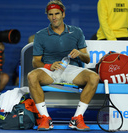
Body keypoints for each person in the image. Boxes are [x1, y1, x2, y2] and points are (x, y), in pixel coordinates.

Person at [27, 0, 100, 131]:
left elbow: (87, 59)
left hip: (71, 69)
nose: (54, 17)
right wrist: (49, 66)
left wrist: (79, 53)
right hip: (50, 71)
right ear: (47, 16)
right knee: (32, 76)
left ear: (63, 14)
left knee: (94, 77)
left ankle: (77, 118)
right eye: (50, 14)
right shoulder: (40, 35)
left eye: (57, 13)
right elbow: (35, 62)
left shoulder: (76, 32)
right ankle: (45, 118)